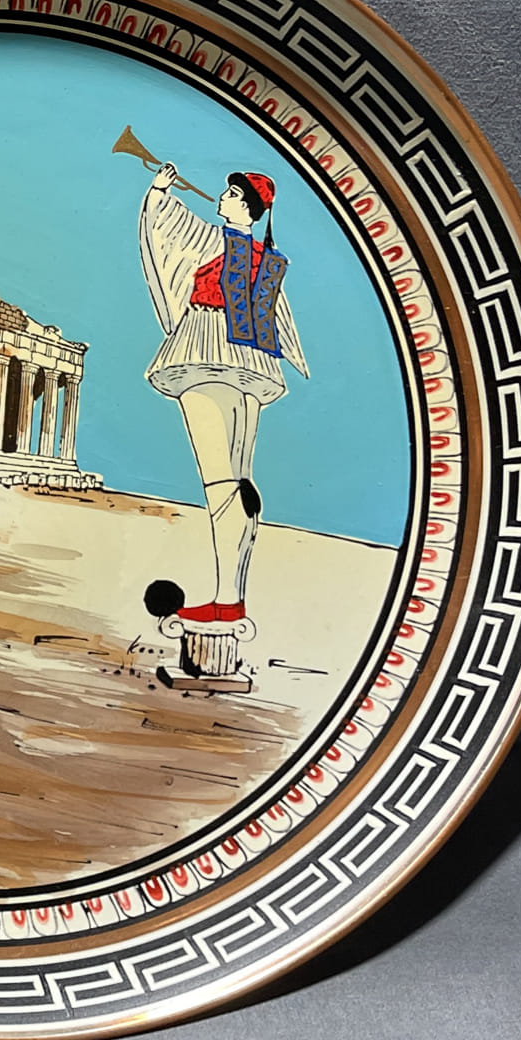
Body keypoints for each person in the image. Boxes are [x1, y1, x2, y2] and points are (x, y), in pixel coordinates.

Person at [137, 162, 308, 684]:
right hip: (251, 365)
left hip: (209, 354)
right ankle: (229, 596)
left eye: (232, 194)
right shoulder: (266, 259)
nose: (222, 197)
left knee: (222, 484)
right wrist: (161, 194)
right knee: (239, 483)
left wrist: (158, 192)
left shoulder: (221, 242)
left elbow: (167, 231)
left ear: (247, 207)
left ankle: (226, 601)